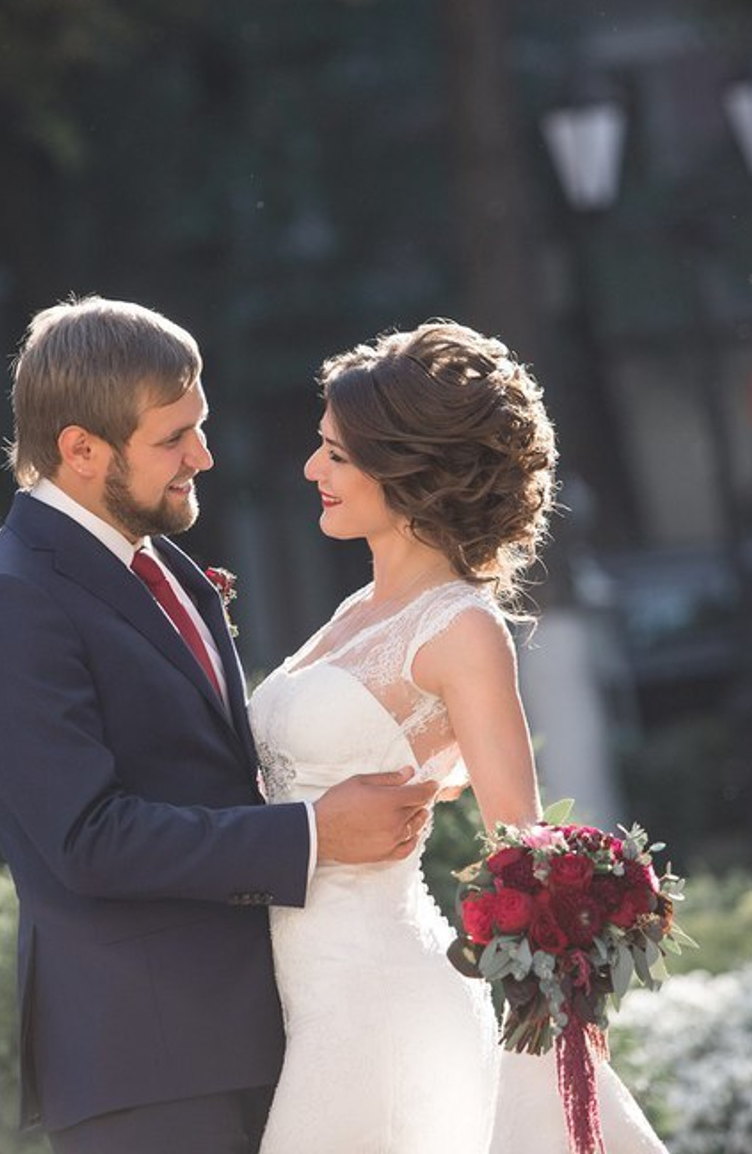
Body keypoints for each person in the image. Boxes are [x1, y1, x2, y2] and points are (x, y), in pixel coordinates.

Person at [0, 296, 438, 1154]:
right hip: (149, 1067)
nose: (202, 455)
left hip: (271, 1030)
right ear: (81, 449)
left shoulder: (164, 564)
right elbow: (88, 840)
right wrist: (312, 837)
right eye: (173, 438)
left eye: (198, 427)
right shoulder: (4, 602)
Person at [250, 320, 668, 1153]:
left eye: (335, 453)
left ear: (405, 466)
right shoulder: (352, 615)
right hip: (294, 984)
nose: (311, 470)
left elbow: (525, 844)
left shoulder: (462, 630)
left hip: (372, 998)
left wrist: (558, 1007)